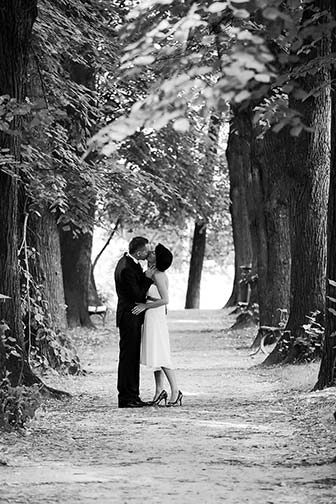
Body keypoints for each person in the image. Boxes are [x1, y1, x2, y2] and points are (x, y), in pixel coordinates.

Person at [132, 243, 183, 407]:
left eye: (154, 253)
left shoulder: (159, 275)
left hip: (155, 315)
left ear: (158, 259)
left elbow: (165, 300)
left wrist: (145, 306)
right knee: (155, 354)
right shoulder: (151, 272)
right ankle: (159, 390)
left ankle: (176, 390)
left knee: (162, 354)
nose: (150, 253)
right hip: (150, 315)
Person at [114, 236, 154, 408]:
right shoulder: (127, 268)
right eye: (146, 251)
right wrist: (148, 277)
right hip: (130, 316)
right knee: (129, 357)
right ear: (139, 252)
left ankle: (132, 395)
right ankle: (127, 397)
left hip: (131, 315)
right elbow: (137, 295)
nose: (148, 253)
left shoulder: (129, 262)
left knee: (130, 357)